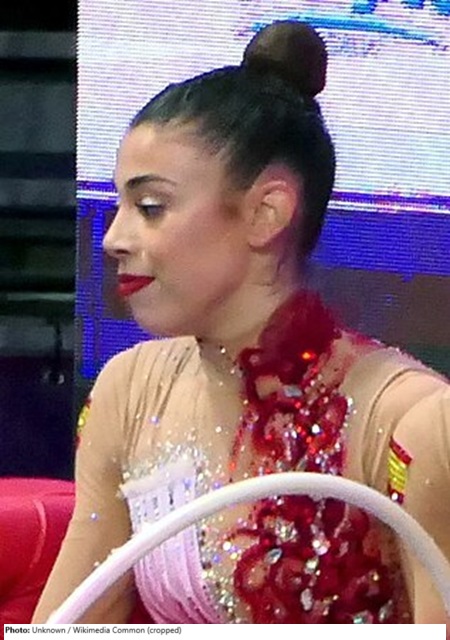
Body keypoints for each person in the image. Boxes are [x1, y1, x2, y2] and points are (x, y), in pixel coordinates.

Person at [33, 21, 450, 625]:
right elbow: (64, 629)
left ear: (266, 213)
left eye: (150, 207)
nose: (114, 238)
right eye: (119, 205)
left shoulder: (407, 420)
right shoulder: (130, 391)